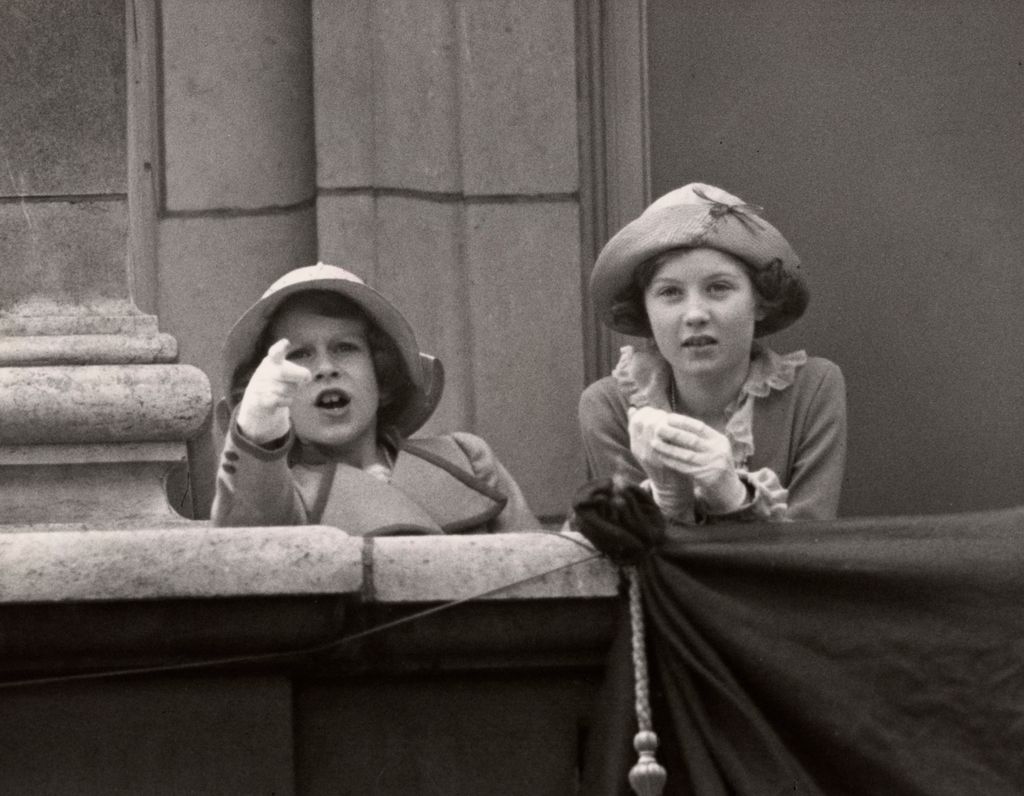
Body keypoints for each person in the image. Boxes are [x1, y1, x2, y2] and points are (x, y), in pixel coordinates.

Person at [579, 182, 846, 522]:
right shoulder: (610, 407)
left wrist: (733, 496)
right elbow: (632, 557)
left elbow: (809, 554)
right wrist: (669, 500)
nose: (694, 314)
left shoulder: (814, 389)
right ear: (644, 309)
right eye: (670, 292)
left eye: (718, 288)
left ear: (760, 301)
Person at [211, 263, 538, 534]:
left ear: (381, 378)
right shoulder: (280, 497)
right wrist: (259, 432)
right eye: (300, 354)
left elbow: (549, 573)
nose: (325, 368)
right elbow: (245, 545)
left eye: (344, 348)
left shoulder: (466, 458)